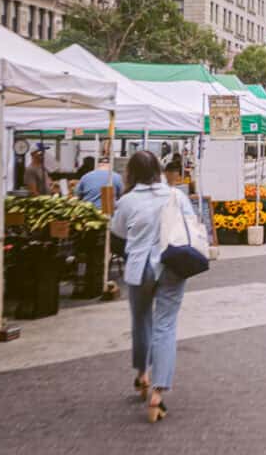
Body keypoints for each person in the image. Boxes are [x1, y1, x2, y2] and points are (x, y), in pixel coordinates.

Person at [110, 150, 193, 423]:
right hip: (172, 265)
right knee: (166, 325)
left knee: (141, 321)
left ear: (131, 173)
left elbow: (117, 238)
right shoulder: (176, 196)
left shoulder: (127, 201)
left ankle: (142, 375)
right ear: (158, 170)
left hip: (139, 267)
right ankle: (158, 391)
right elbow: (192, 227)